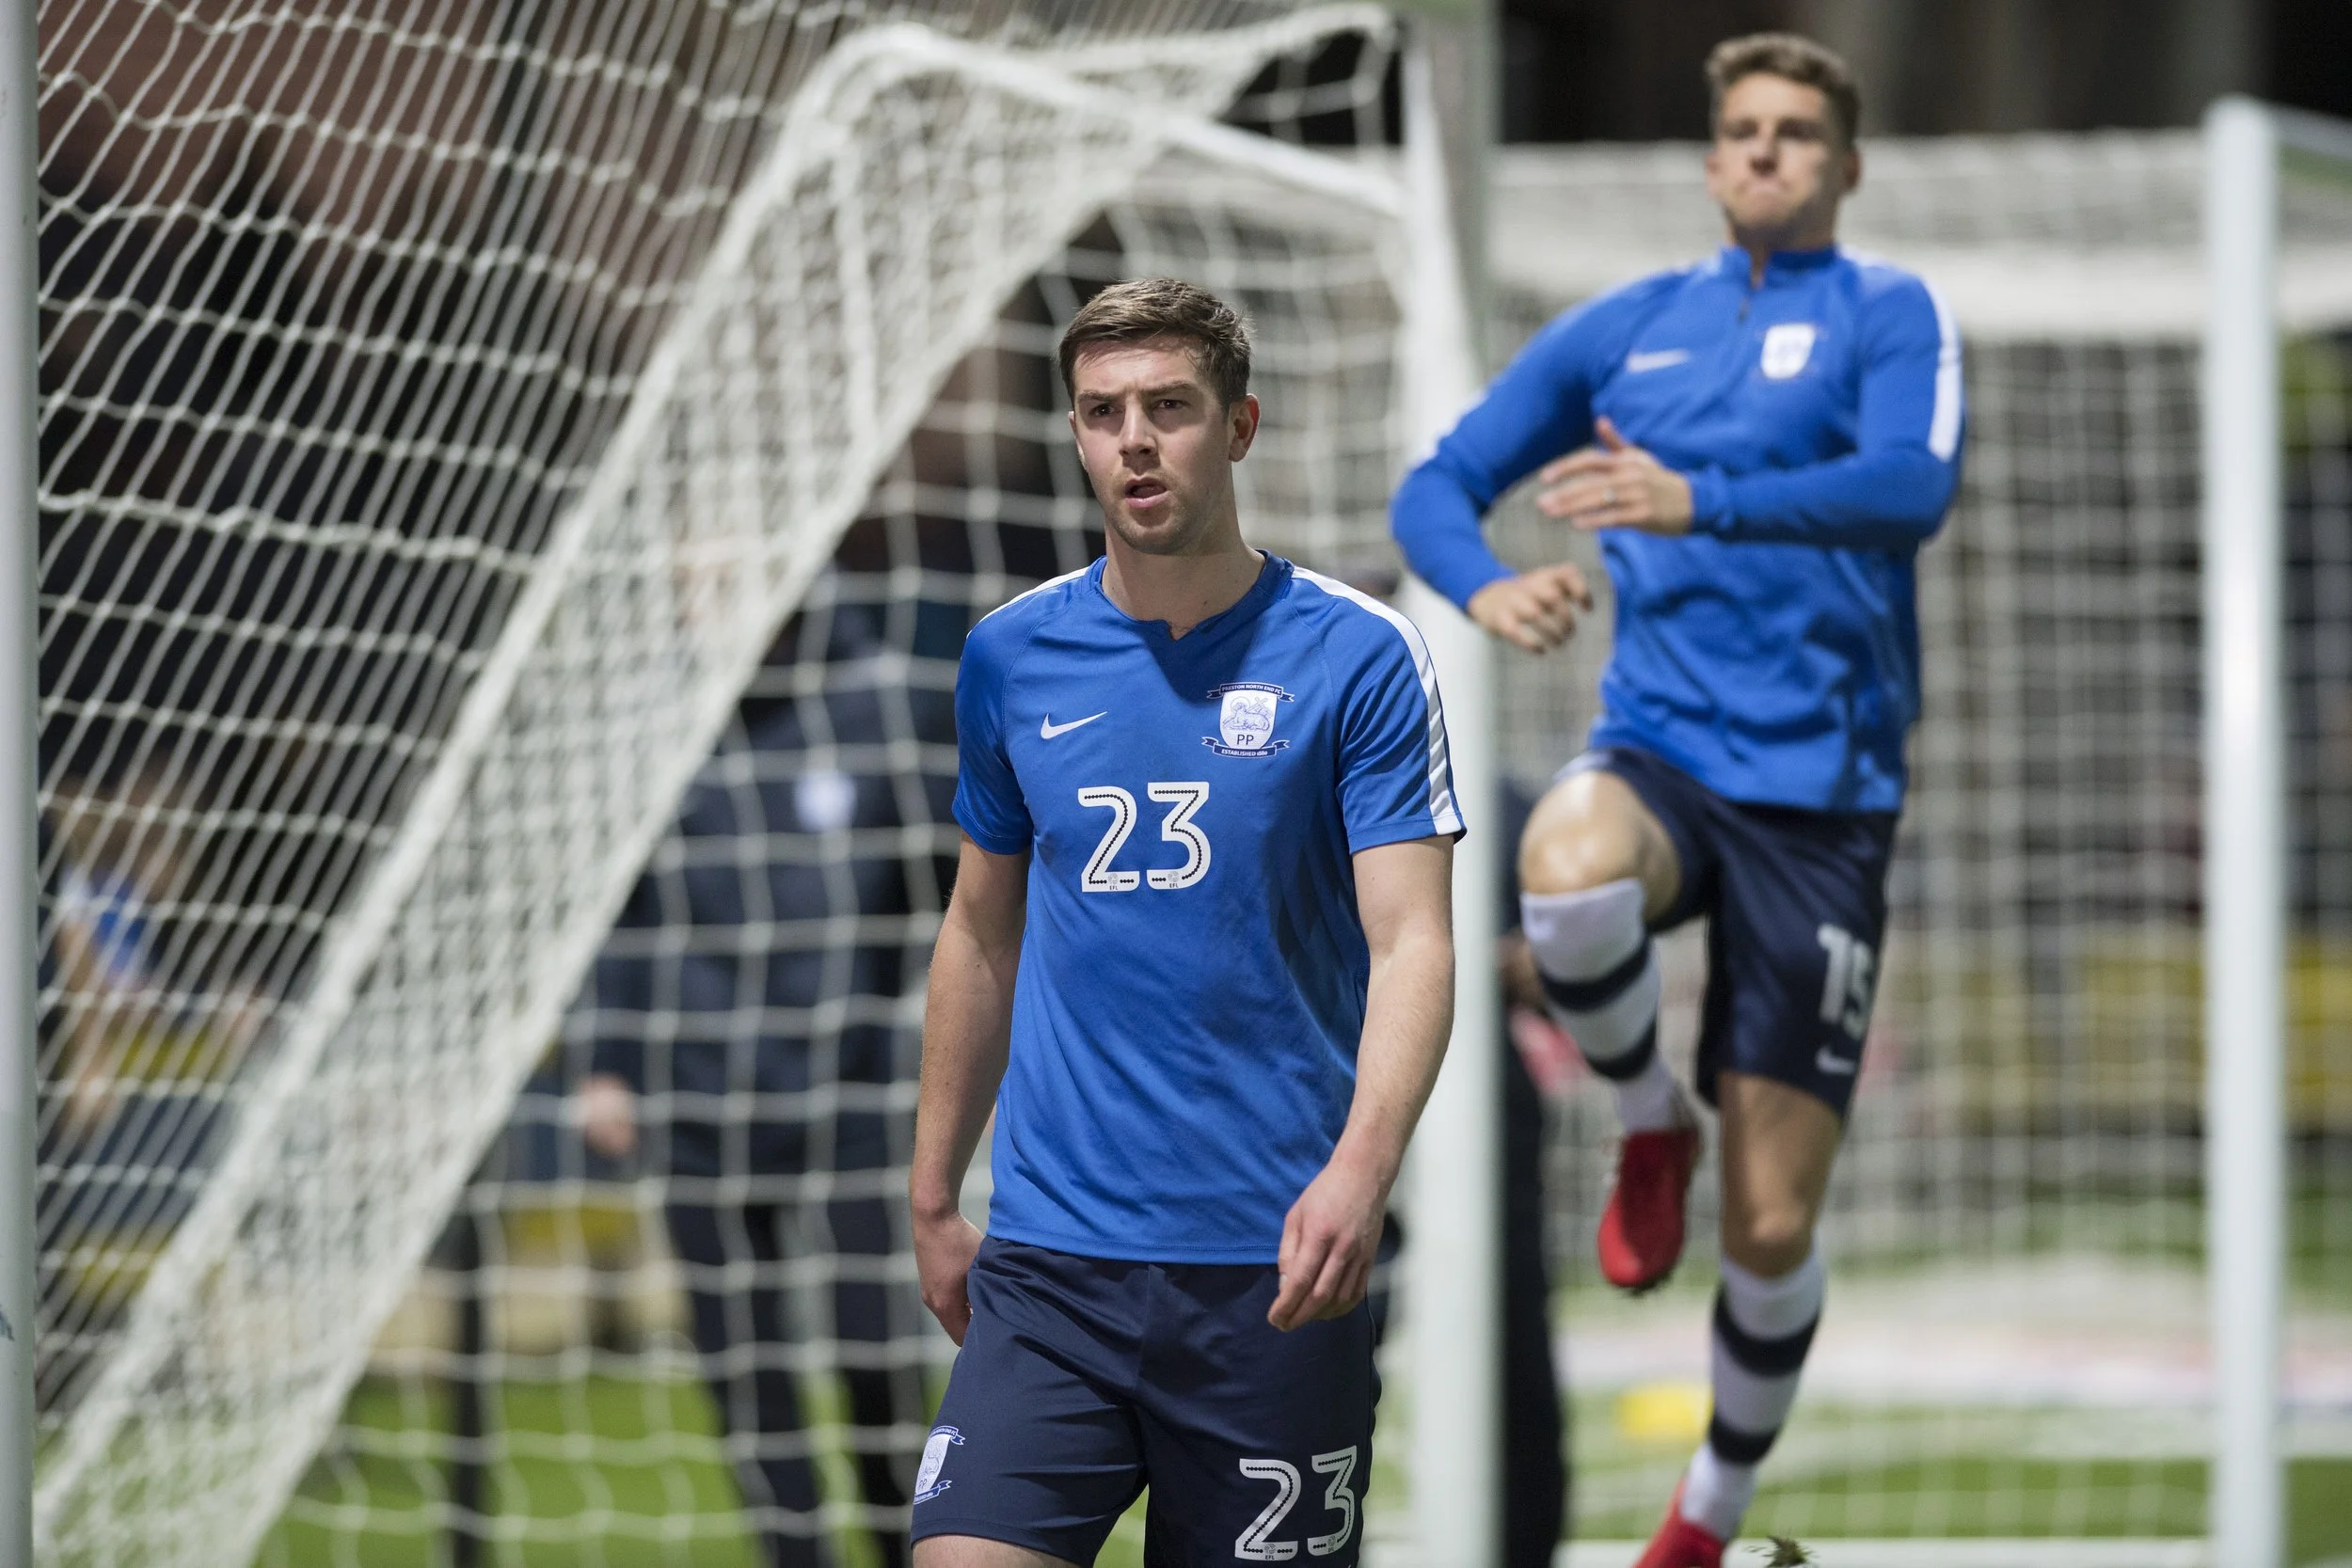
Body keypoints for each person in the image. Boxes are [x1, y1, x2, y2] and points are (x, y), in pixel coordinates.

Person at [1391, 34, 1962, 1568]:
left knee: (1773, 1229)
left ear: (1846, 165)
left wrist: (1697, 500)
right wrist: (1490, 586)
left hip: (1823, 806)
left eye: (1797, 133)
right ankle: (1651, 1117)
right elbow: (1432, 486)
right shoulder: (1623, 331)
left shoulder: (1888, 313)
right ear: (1712, 163)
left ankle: (1707, 1516)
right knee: (1557, 865)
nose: (1767, 151)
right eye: (1743, 131)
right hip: (1662, 755)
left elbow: (1911, 491)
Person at [906, 277, 1461, 1567]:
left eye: (1170, 406)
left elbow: (1412, 943)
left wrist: (1360, 1170)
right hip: (1051, 1265)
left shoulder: (1361, 655)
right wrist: (936, 1189)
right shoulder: (1009, 655)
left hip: (1273, 1267)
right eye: (1103, 413)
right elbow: (979, 933)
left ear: (1242, 425)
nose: (1136, 440)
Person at [575, 594, 929, 1568]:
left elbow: (939, 885)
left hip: (849, 1090)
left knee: (877, 1353)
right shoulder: (658, 719)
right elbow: (624, 906)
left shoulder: (879, 703)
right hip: (698, 1095)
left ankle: (909, 1542)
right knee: (744, 1369)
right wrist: (604, 1059)